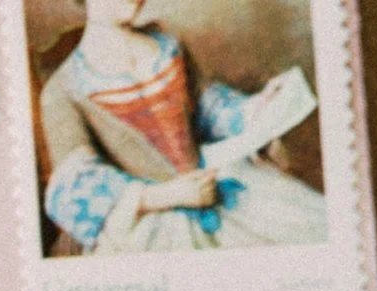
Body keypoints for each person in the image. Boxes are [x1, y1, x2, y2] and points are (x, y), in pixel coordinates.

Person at [38, 1, 329, 254]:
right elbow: (77, 182)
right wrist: (167, 195)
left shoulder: (166, 44)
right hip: (150, 219)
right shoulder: (63, 89)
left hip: (215, 181)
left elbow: (205, 109)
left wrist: (259, 108)